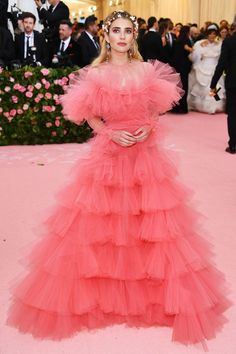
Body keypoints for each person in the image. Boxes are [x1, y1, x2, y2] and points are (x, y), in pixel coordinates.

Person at [6, 10, 231, 351]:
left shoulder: (145, 69)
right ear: (107, 36)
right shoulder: (97, 72)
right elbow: (87, 113)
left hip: (146, 156)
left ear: (133, 36)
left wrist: (149, 126)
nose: (123, 37)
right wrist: (108, 131)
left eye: (128, 31)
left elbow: (158, 106)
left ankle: (152, 297)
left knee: (153, 224)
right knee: (102, 226)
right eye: (117, 31)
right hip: (110, 155)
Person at [210, 22, 236, 154]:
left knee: (232, 113)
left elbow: (222, 64)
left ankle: (233, 145)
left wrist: (213, 83)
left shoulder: (229, 42)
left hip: (233, 82)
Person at [188, 24, 225, 114]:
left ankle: (214, 106)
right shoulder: (200, 43)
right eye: (210, 34)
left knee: (216, 87)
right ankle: (202, 106)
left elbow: (222, 58)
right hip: (203, 67)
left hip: (214, 68)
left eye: (214, 34)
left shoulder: (220, 44)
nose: (212, 36)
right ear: (207, 34)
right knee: (203, 87)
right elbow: (194, 57)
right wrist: (199, 53)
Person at [171, 25, 193, 113]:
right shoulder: (186, 40)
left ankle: (175, 107)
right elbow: (189, 53)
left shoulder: (177, 41)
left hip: (177, 67)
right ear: (187, 32)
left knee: (177, 87)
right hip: (184, 67)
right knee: (184, 87)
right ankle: (183, 108)